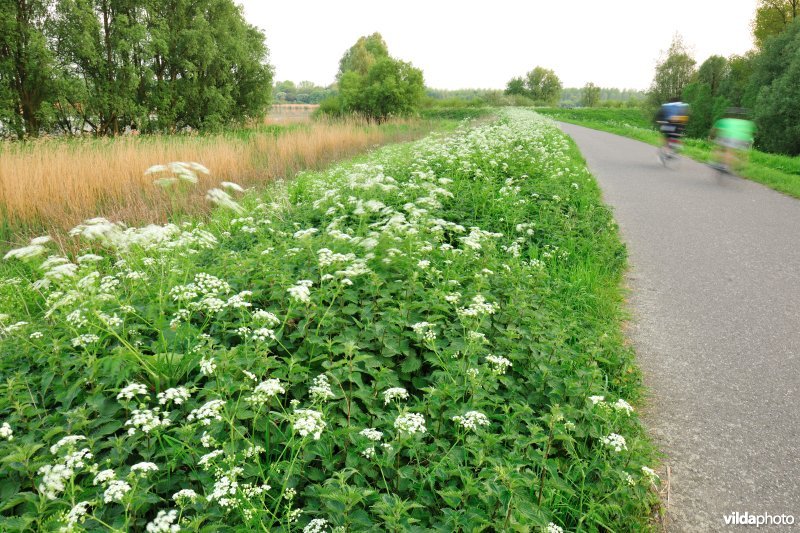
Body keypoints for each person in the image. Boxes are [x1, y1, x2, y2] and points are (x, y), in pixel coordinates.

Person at [709, 108, 754, 174]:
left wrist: (710, 137)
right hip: (745, 139)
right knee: (742, 153)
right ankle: (741, 166)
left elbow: (713, 130)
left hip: (731, 137)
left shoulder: (724, 120)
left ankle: (723, 165)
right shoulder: (749, 123)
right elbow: (751, 133)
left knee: (724, 149)